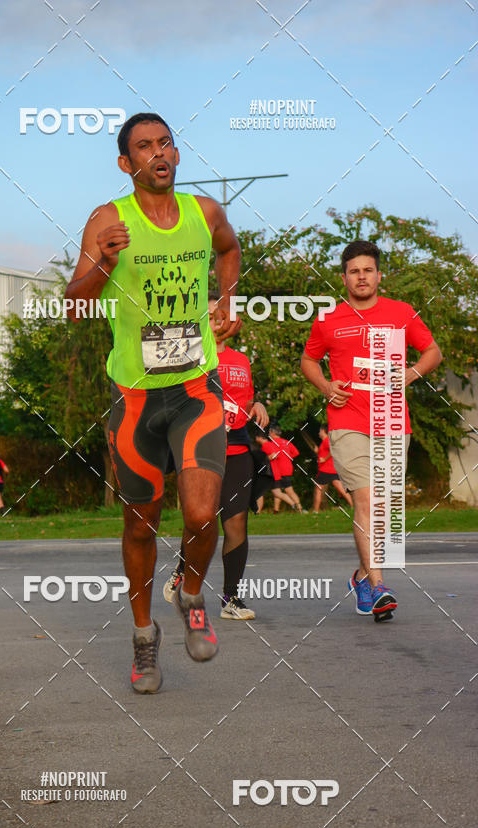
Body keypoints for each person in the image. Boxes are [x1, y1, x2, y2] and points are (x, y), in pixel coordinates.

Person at [64, 112, 241, 693]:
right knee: (140, 526)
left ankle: (191, 594)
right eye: (144, 146)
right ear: (126, 163)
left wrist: (226, 301)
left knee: (201, 515)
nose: (158, 153)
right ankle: (144, 636)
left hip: (196, 389)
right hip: (136, 399)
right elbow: (74, 305)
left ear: (177, 155)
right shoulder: (108, 220)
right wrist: (105, 263)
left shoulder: (204, 213)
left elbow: (230, 249)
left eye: (165, 143)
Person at [301, 239, 442, 617]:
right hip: (347, 421)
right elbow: (308, 361)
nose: (361, 277)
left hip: (392, 419)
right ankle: (378, 586)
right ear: (343, 278)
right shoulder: (329, 319)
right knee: (366, 500)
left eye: (367, 270)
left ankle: (363, 576)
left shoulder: (402, 312)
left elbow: (433, 352)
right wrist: (326, 387)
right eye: (354, 271)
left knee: (383, 507)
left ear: (379, 275)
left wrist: (411, 374)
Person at [163, 299, 269, 621]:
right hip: (200, 447)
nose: (216, 321)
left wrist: (257, 405)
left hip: (237, 448)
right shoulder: (188, 355)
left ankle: (230, 599)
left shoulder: (241, 359)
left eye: (221, 316)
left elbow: (244, 400)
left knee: (236, 523)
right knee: (202, 519)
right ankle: (183, 568)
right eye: (208, 316)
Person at [312, 424, 352, 512]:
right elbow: (324, 454)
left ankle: (315, 511)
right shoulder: (325, 441)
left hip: (325, 470)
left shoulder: (326, 441)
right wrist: (317, 452)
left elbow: (333, 450)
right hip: (332, 469)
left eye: (319, 431)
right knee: (341, 489)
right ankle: (353, 506)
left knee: (318, 489)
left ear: (323, 431)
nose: (318, 433)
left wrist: (325, 459)